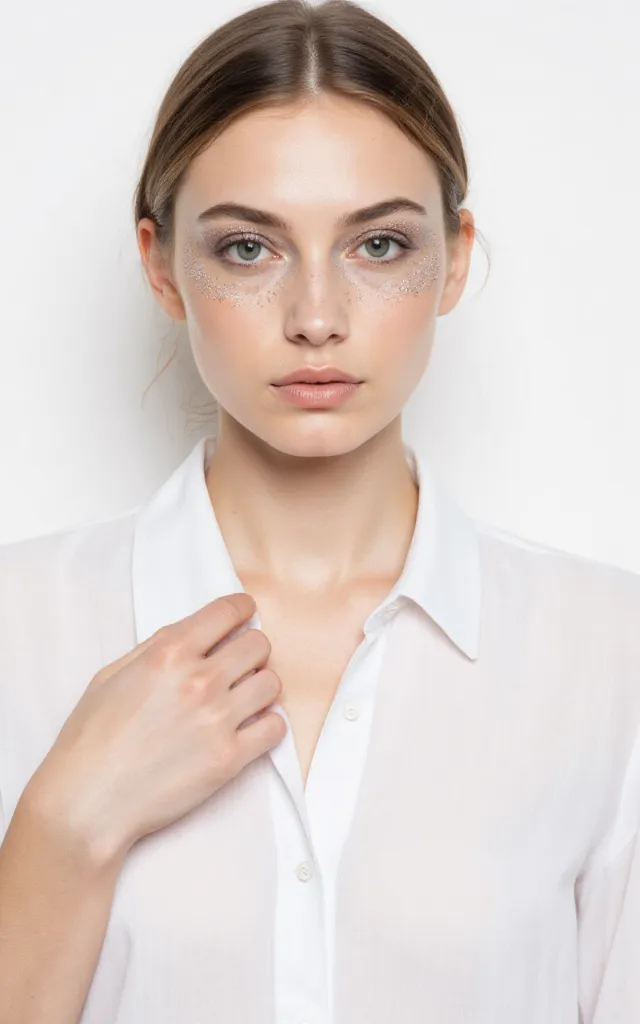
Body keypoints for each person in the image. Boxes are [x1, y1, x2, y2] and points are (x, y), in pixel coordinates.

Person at [0, 0, 638, 1020]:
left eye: (377, 245)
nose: (315, 318)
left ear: (455, 256)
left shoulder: (608, 655)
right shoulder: (17, 632)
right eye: (249, 250)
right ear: (162, 264)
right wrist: (65, 825)